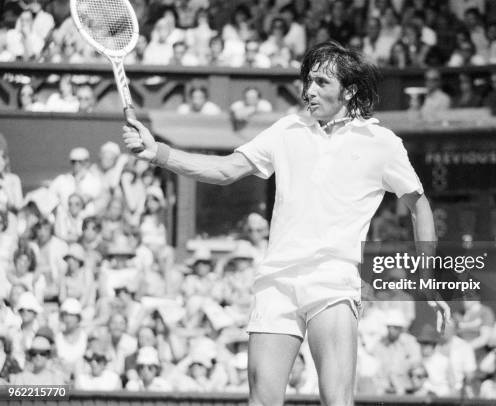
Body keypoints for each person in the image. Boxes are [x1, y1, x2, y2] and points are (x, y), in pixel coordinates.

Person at [121, 40, 449, 406]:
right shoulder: (287, 129)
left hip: (332, 278)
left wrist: (427, 276)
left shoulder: (382, 142)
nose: (309, 91)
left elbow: (420, 207)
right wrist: (158, 153)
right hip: (276, 280)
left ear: (349, 90)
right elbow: (226, 169)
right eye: (308, 81)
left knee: (337, 401)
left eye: (322, 83)